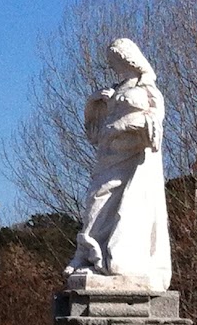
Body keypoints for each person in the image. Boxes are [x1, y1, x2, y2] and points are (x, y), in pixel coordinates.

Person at [64, 38, 171, 291]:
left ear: (129, 59)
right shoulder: (115, 88)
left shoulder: (147, 90)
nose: (113, 65)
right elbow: (94, 130)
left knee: (124, 206)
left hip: (133, 158)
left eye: (116, 59)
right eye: (112, 60)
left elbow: (155, 125)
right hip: (109, 155)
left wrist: (122, 126)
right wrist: (93, 102)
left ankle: (102, 256)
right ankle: (87, 253)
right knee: (96, 199)